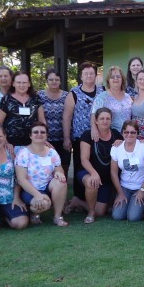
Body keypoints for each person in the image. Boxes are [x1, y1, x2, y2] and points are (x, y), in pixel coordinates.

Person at [63, 62, 104, 205]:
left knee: (96, 166)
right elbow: (67, 116)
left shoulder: (102, 91)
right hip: (80, 137)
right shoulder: (74, 93)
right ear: (81, 76)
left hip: (100, 136)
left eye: (91, 73)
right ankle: (79, 198)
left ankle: (97, 196)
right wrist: (67, 137)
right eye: (85, 73)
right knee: (80, 166)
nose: (89, 76)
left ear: (95, 75)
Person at [15, 122, 69, 227]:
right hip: (30, 190)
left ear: (46, 135)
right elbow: (21, 180)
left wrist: (59, 174)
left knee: (61, 182)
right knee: (44, 204)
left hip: (47, 187)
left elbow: (59, 169)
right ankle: (34, 214)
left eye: (42, 132)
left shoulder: (52, 152)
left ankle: (58, 217)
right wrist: (37, 195)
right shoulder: (23, 153)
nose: (39, 134)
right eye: (36, 132)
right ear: (30, 135)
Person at [75, 108, 123, 223]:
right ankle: (91, 212)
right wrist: (94, 173)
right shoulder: (87, 135)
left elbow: (126, 148)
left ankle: (78, 202)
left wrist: (121, 142)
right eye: (102, 118)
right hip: (87, 172)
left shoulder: (116, 134)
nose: (105, 121)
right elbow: (84, 159)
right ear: (96, 121)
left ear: (111, 121)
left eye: (108, 119)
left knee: (101, 212)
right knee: (92, 181)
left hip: (106, 179)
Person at [110, 120, 144, 221]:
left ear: (137, 133)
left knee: (133, 217)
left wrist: (142, 190)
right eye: (126, 132)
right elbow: (113, 172)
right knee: (117, 216)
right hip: (125, 187)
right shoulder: (116, 148)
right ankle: (129, 203)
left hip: (141, 186)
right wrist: (120, 193)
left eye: (133, 132)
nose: (129, 135)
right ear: (122, 133)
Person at [0, 71, 45, 147]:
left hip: (33, 143)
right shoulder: (7, 99)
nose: (21, 85)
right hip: (11, 144)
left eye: (24, 82)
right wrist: (5, 142)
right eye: (19, 82)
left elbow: (42, 120)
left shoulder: (35, 98)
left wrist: (44, 138)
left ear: (29, 84)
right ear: (13, 84)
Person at [38, 68, 70, 172]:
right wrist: (44, 138)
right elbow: (40, 118)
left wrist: (67, 138)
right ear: (46, 81)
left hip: (63, 138)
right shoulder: (40, 95)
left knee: (64, 164)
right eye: (51, 79)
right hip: (46, 138)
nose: (54, 82)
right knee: (47, 166)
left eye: (56, 79)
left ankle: (62, 186)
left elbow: (69, 116)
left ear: (60, 81)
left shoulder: (67, 95)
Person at [91, 65, 132, 134]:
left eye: (118, 76)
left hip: (127, 135)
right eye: (112, 77)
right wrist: (94, 129)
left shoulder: (128, 97)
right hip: (110, 136)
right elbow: (93, 114)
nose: (115, 79)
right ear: (108, 81)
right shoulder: (101, 97)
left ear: (122, 79)